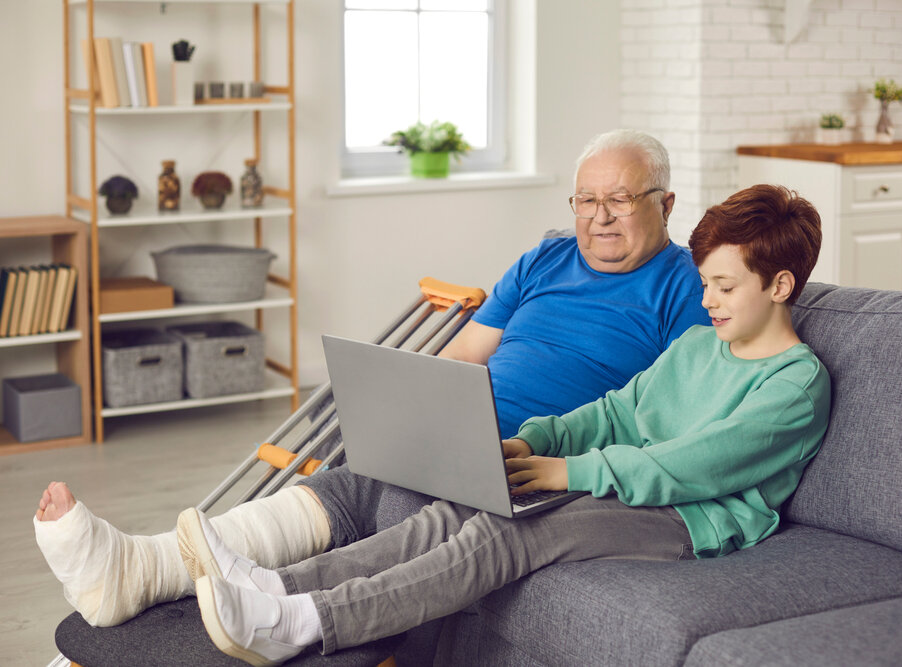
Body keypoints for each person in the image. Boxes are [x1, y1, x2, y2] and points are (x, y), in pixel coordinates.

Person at [34, 129, 710, 633]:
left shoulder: (685, 288)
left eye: (619, 200)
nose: (598, 216)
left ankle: (150, 575)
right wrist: (415, 409)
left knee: (374, 491)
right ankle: (147, 573)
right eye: (586, 199)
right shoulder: (546, 256)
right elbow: (461, 356)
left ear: (666, 202)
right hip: (466, 432)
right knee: (356, 466)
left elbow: (660, 411)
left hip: (532, 457)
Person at [189, 183, 832, 665]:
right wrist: (539, 440)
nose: (706, 300)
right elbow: (617, 412)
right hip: (624, 481)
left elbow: (691, 466)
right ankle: (275, 583)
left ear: (779, 285)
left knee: (507, 533)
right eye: (703, 283)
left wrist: (566, 470)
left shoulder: (795, 384)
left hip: (692, 516)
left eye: (723, 285)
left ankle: (303, 623)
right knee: (454, 512)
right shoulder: (700, 346)